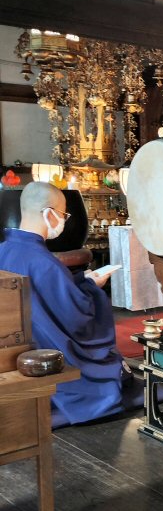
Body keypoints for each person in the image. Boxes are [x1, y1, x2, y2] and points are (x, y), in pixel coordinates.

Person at [0, 182, 124, 425]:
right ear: (49, 214)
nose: (64, 221)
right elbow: (77, 317)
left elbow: (46, 293)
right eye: (63, 215)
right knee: (110, 370)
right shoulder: (45, 263)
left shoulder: (3, 250)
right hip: (43, 352)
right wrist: (92, 287)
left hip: (11, 349)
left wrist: (79, 281)